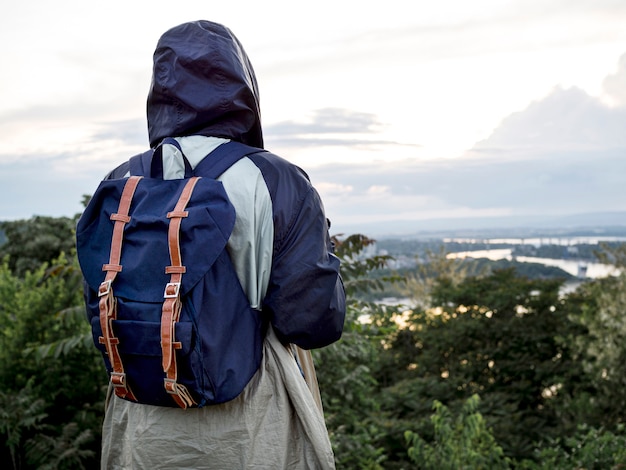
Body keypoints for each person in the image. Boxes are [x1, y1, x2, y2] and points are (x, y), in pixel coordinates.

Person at [97, 20, 346, 469]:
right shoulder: (278, 180)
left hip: (143, 420)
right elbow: (311, 322)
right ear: (243, 87)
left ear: (159, 93)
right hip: (250, 420)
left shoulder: (120, 181)